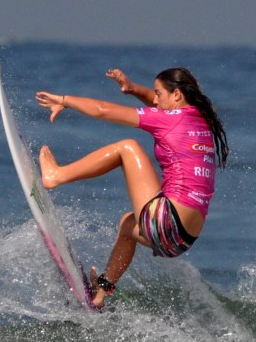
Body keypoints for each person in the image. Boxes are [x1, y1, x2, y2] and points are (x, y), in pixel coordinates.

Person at [35, 67, 228, 308]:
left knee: (127, 148)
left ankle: (56, 176)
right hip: (182, 240)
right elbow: (160, 104)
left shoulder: (170, 119)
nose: (154, 100)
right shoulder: (203, 117)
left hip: (166, 223)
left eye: (159, 93)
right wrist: (133, 89)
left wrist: (64, 100)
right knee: (128, 225)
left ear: (177, 94)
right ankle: (101, 294)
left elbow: (103, 110)